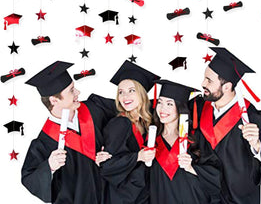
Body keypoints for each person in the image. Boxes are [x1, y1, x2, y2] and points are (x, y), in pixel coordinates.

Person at [195, 47, 261, 204]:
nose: (202, 84)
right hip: (204, 196)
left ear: (227, 86)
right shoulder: (199, 108)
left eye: (209, 80)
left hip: (238, 199)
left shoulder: (252, 118)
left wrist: (258, 145)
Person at [21, 61, 115, 204]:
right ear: (54, 100)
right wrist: (49, 166)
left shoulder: (95, 108)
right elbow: (29, 178)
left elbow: (129, 116)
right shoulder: (45, 141)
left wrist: (112, 147)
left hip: (110, 197)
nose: (78, 92)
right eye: (71, 90)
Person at [96, 60, 160, 204]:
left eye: (131, 90)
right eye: (121, 92)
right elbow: (107, 167)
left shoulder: (146, 120)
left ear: (142, 93)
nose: (125, 97)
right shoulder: (120, 124)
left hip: (144, 193)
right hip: (123, 196)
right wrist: (138, 157)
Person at [149, 79, 222, 204]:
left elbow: (215, 175)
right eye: (160, 102)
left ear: (180, 107)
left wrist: (191, 168)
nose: (162, 108)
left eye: (169, 104)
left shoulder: (195, 139)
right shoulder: (151, 140)